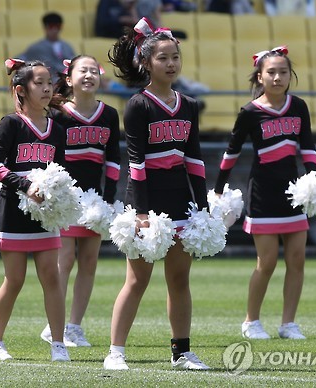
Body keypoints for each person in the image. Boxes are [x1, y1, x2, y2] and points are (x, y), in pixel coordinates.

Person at [103, 17, 210, 371]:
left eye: (175, 57)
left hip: (181, 198)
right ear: (146, 63)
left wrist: (204, 207)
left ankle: (181, 351)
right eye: (163, 58)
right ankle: (115, 351)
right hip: (147, 201)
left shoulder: (190, 104)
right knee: (136, 280)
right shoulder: (138, 105)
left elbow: (193, 157)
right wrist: (142, 212)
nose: (171, 64)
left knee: (180, 279)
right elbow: (136, 162)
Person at [214, 46, 316, 340]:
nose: (277, 77)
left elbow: (307, 147)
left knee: (297, 258)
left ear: (290, 76)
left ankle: (288, 323)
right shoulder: (250, 112)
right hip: (263, 193)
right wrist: (218, 189)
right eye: (271, 72)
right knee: (268, 261)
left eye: (283, 72)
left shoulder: (298, 106)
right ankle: (251, 321)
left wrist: (314, 180)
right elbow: (231, 153)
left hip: (293, 193)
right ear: (259, 76)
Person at [0, 59, 70, 362]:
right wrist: (25, 185)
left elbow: (59, 170)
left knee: (52, 275)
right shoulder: (11, 124)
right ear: (21, 89)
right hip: (13, 210)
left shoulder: (58, 131)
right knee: (15, 278)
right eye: (39, 83)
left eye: (49, 82)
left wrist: (58, 194)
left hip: (43, 214)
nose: (47, 88)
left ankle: (58, 344)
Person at [39, 55, 121, 347]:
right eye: (82, 71)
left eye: (94, 71)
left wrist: (108, 199)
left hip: (95, 200)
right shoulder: (59, 114)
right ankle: (54, 326)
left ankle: (74, 326)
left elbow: (113, 160)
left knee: (89, 261)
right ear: (70, 77)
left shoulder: (109, 114)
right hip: (65, 200)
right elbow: (50, 159)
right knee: (66, 259)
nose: (89, 75)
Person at [17, 12, 76, 83]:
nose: (54, 30)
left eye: (57, 26)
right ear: (45, 27)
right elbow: (21, 60)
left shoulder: (67, 47)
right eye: (51, 26)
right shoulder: (36, 48)